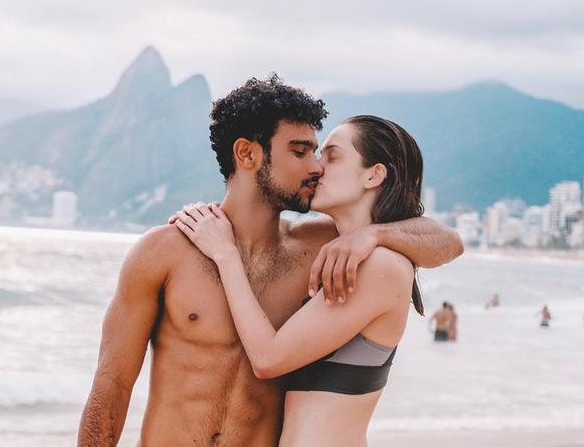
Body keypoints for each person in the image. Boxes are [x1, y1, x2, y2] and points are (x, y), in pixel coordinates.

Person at [77, 77, 464, 446]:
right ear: (247, 153)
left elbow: (446, 242)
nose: (315, 167)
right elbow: (112, 386)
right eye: (300, 152)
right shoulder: (164, 251)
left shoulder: (325, 249)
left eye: (318, 152)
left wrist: (374, 234)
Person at [175, 114, 436, 446]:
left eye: (333, 156)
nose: (317, 168)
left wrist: (225, 254)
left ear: (374, 174)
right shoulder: (346, 254)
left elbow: (268, 359)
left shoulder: (379, 266)